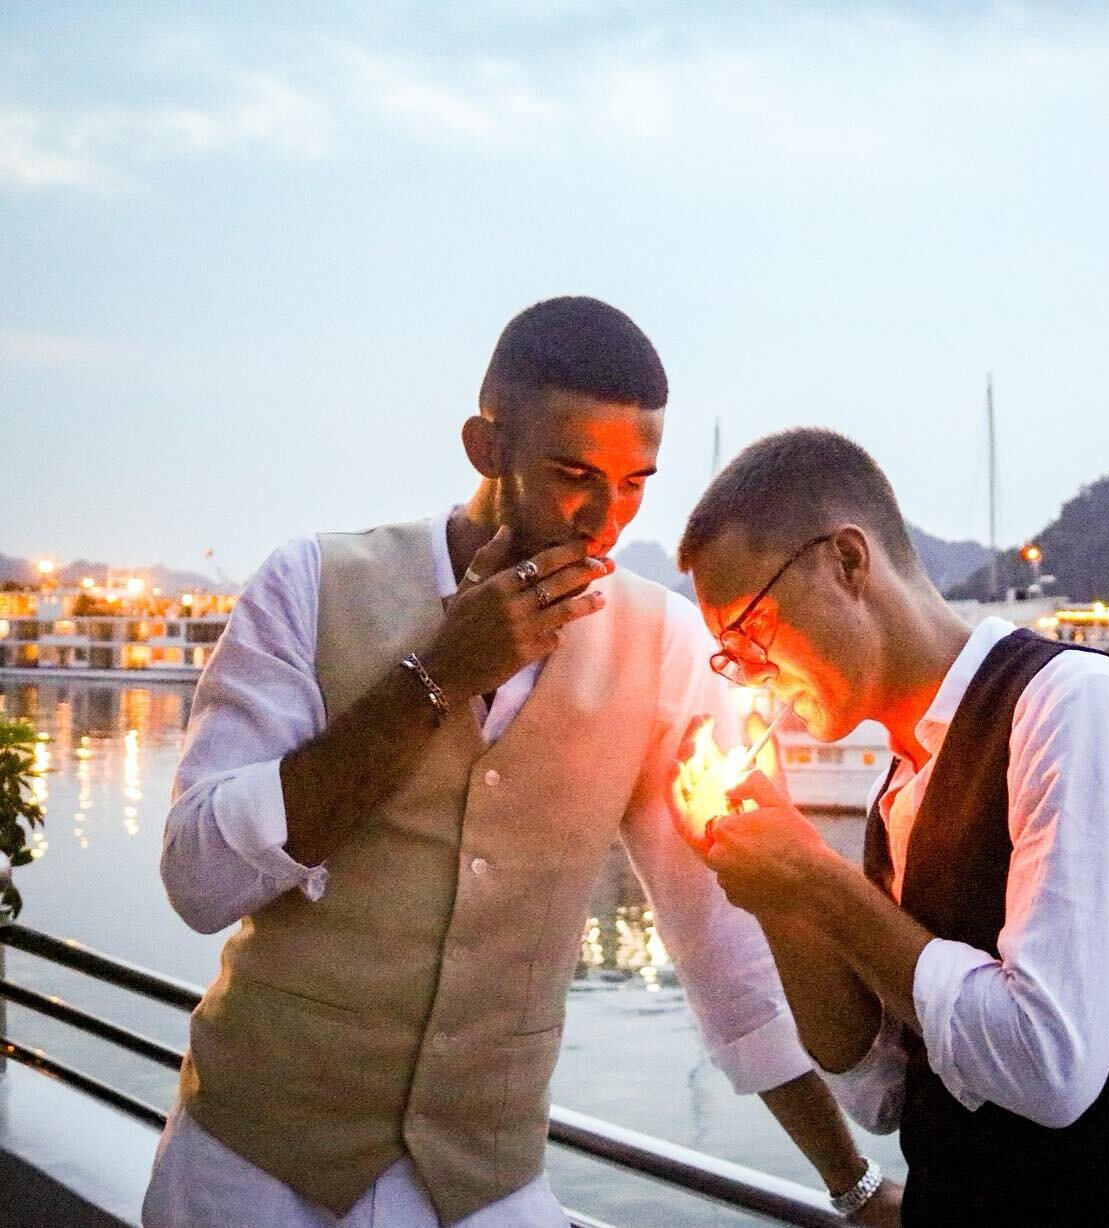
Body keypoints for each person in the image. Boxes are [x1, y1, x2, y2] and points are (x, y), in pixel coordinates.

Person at [144, 302, 900, 1227]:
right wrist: (433, 679)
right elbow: (198, 880)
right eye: (572, 474)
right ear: (485, 444)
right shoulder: (308, 585)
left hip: (486, 1187)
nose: (604, 519)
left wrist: (852, 1185)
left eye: (634, 483)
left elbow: (720, 947)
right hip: (250, 1172)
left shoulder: (661, 645)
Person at [673, 427, 1109, 1226]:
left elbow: (1047, 1066)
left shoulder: (1076, 708)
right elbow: (882, 1091)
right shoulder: (897, 792)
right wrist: (774, 896)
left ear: (847, 562)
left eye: (751, 630)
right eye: (729, 655)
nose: (751, 671)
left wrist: (818, 879)